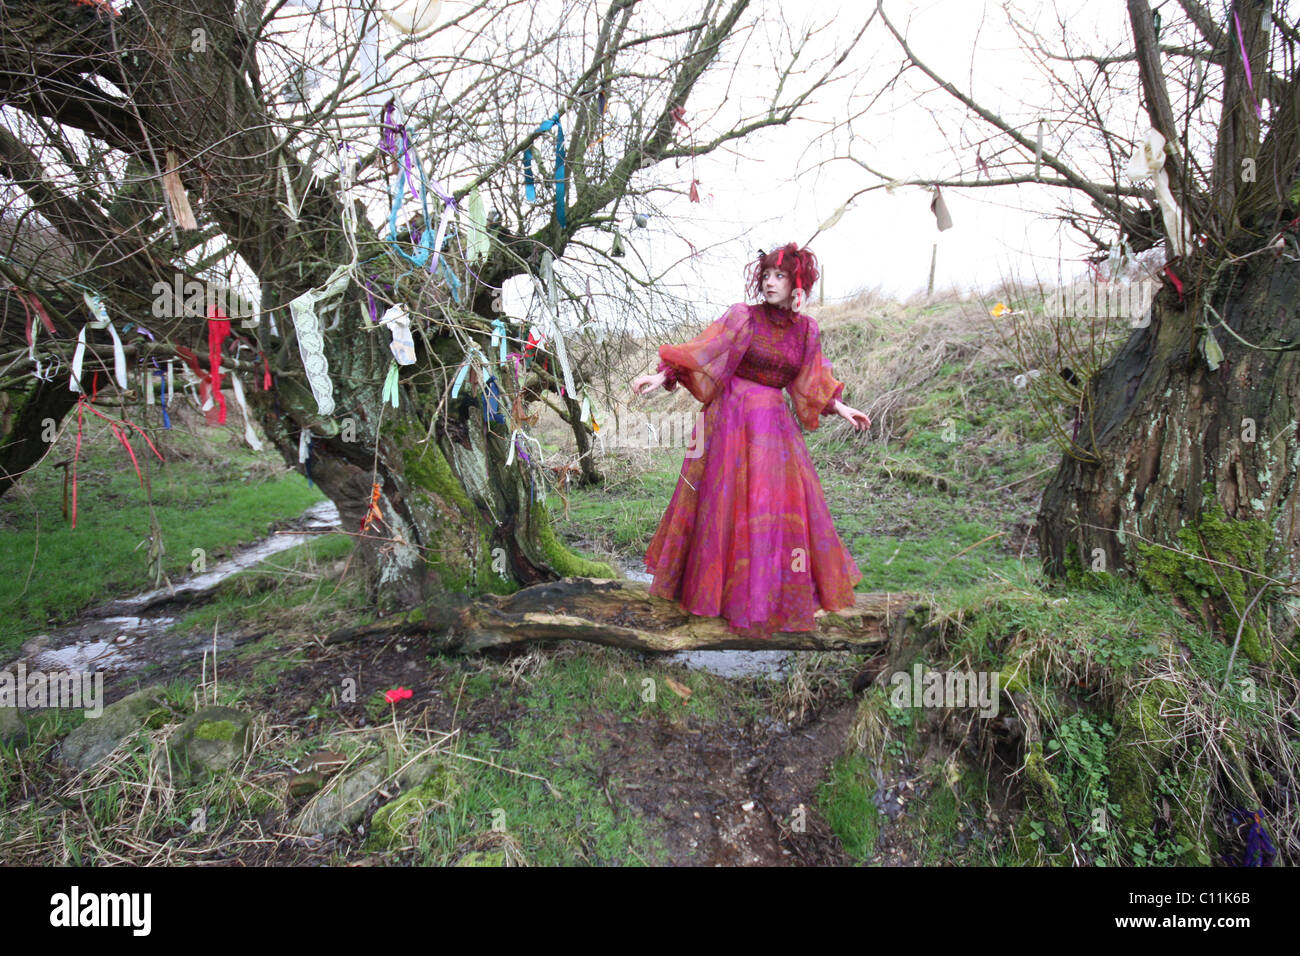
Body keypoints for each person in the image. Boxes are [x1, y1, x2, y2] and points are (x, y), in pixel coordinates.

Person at [630, 242, 871, 639]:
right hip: (729, 421)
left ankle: (765, 596)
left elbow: (811, 381)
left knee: (771, 509)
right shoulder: (744, 317)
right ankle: (710, 595)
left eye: (780, 276)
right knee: (720, 504)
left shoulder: (806, 330)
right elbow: (704, 352)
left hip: (773, 428)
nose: (770, 282)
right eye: (766, 275)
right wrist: (661, 376)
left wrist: (841, 408)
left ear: (798, 283)